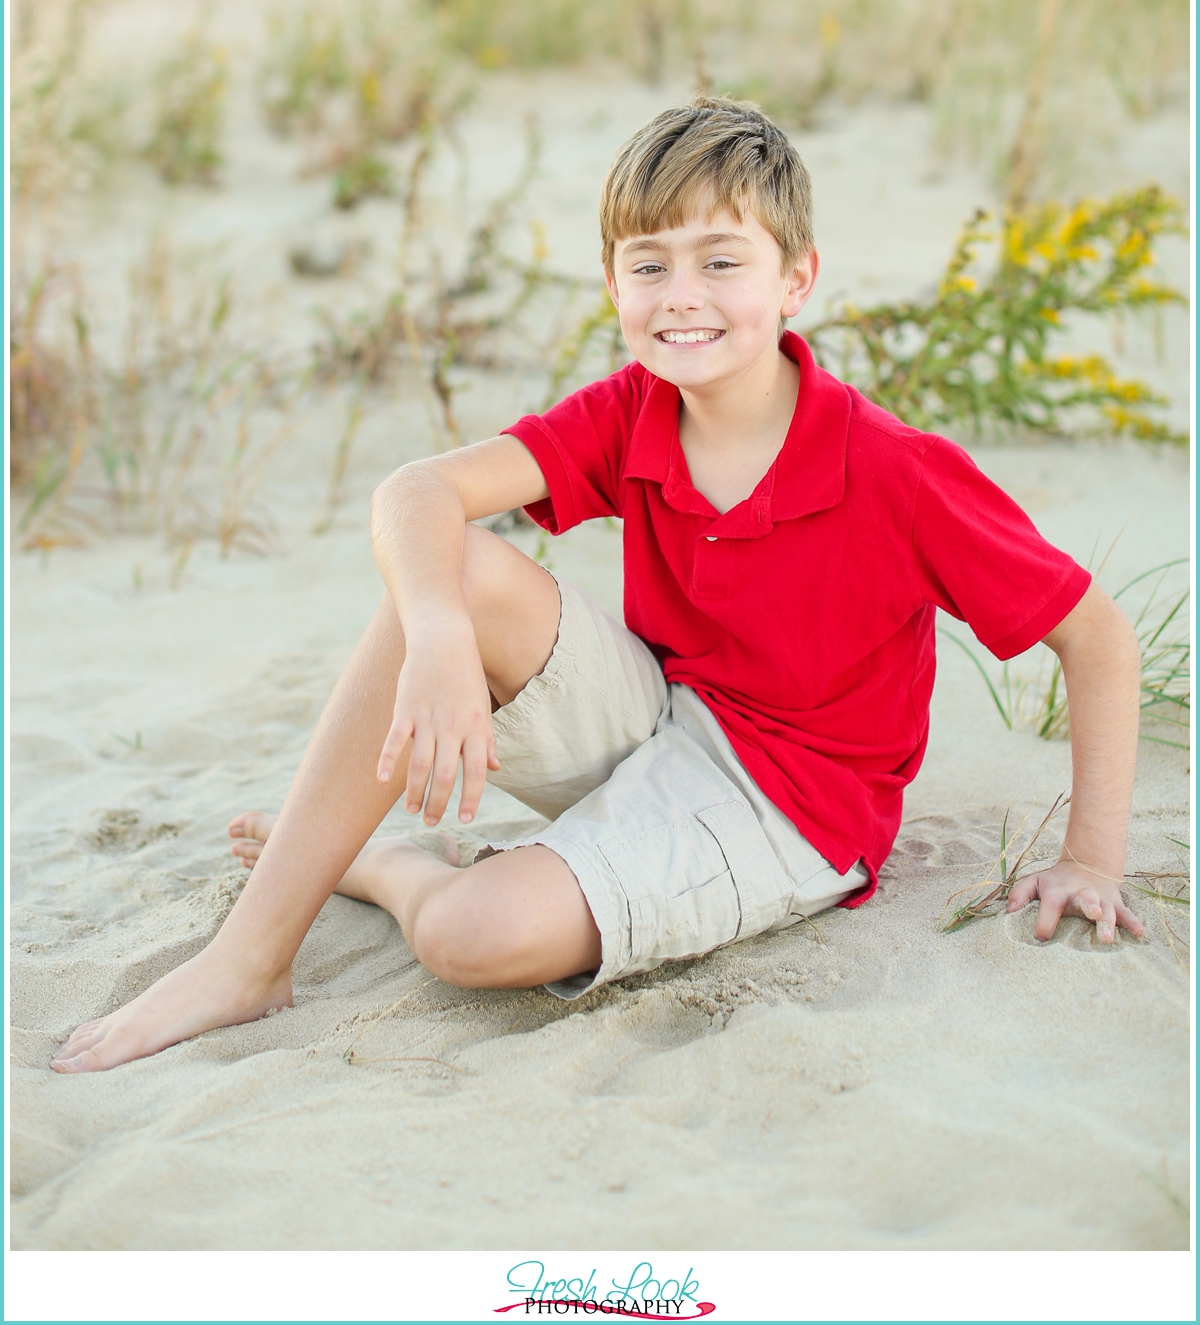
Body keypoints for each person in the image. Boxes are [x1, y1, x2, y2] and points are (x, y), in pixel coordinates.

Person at [52, 97, 1145, 1074]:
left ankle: (389, 870)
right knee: (452, 564)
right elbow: (417, 491)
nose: (683, 297)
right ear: (613, 282)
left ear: (796, 277)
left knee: (464, 939)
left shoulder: (893, 471)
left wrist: (1090, 858)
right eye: (650, 264)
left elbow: (1096, 640)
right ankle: (249, 957)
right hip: (659, 716)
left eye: (723, 261)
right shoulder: (634, 409)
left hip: (793, 805)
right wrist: (437, 637)